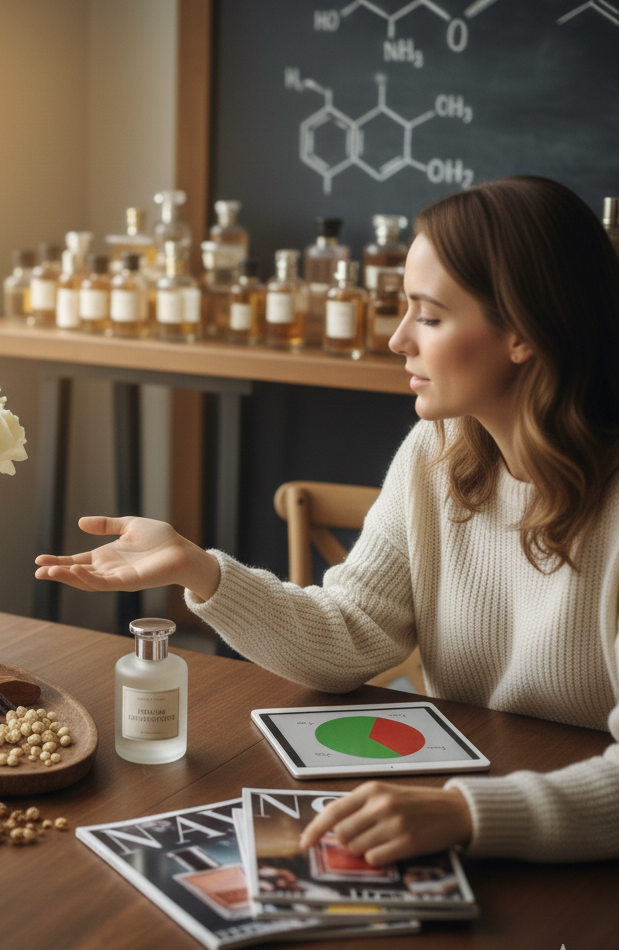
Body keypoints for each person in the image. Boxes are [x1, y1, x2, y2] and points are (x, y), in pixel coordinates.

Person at [35, 176, 619, 865]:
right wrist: (201, 569)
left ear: (522, 335)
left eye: (430, 318)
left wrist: (469, 811)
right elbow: (349, 635)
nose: (398, 339)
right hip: (462, 805)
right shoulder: (436, 452)